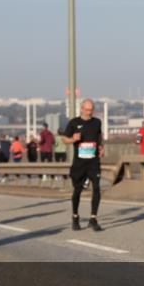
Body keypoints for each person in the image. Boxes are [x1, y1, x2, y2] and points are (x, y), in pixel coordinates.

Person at [64, 98, 104, 231]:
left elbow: (99, 137)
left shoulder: (97, 122)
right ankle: (75, 216)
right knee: (77, 190)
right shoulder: (74, 123)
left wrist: (101, 147)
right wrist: (73, 139)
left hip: (93, 161)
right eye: (86, 110)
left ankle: (93, 218)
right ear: (81, 109)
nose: (89, 112)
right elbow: (65, 139)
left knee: (97, 188)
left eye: (91, 110)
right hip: (79, 163)